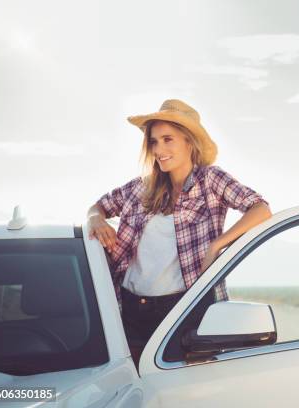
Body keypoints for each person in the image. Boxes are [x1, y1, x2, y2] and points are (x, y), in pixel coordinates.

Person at [86, 99, 271, 369]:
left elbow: (260, 209)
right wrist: (96, 219)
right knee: (134, 385)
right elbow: (98, 206)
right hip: (130, 305)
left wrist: (217, 245)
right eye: (154, 141)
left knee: (182, 387)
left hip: (184, 308)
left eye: (167, 139)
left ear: (189, 142)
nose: (159, 149)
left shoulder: (210, 180)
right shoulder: (141, 188)